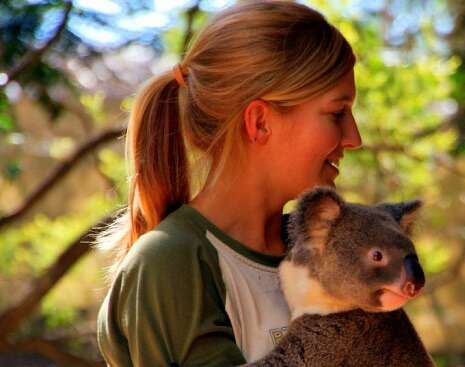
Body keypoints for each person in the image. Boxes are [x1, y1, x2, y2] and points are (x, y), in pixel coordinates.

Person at [95, 1, 362, 365]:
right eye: (337, 113)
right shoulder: (172, 263)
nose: (354, 137)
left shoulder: (326, 254)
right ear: (260, 122)